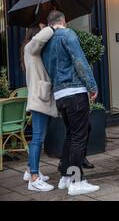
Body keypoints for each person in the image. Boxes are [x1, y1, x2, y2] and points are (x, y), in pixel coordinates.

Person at [42, 11, 99, 196]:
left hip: (60, 94)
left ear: (50, 23)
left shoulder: (47, 41)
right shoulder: (68, 34)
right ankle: (76, 181)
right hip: (75, 92)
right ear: (64, 21)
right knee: (78, 137)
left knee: (71, 135)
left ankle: (66, 177)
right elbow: (79, 61)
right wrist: (92, 86)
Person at [21, 23, 59, 192]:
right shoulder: (30, 48)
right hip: (39, 99)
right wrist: (52, 27)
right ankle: (34, 179)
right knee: (37, 138)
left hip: (41, 98)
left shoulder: (33, 53)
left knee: (39, 137)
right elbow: (39, 40)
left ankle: (30, 171)